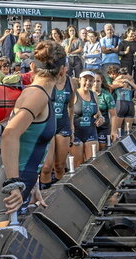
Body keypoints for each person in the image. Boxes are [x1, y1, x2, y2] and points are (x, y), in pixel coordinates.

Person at [2, 41, 67, 213]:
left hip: (23, 182)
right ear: (62, 71)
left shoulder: (38, 94)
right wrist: (13, 183)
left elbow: (28, 142)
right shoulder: (37, 95)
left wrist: (33, 184)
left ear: (32, 66)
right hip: (13, 190)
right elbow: (9, 135)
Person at [38, 53, 76, 189]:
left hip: (63, 124)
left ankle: (60, 193)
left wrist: (71, 126)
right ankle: (43, 194)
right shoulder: (49, 80)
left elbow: (71, 106)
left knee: (60, 165)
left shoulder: (71, 82)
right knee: (47, 166)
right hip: (48, 123)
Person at [70, 71, 105, 168]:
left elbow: (98, 112)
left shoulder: (94, 95)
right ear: (80, 80)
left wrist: (101, 118)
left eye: (91, 80)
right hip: (76, 132)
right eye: (85, 80)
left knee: (92, 164)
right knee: (78, 165)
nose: (88, 83)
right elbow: (68, 114)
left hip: (90, 131)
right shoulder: (74, 94)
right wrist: (70, 131)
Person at [92, 70, 118, 149]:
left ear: (101, 82)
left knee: (101, 150)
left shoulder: (106, 95)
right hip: (90, 126)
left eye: (98, 81)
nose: (95, 84)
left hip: (104, 127)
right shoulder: (87, 93)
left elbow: (113, 115)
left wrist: (114, 131)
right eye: (93, 81)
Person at [112, 67, 136, 135]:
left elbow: (135, 87)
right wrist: (125, 79)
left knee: (127, 130)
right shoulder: (117, 81)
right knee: (119, 129)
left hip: (122, 104)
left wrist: (126, 80)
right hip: (125, 104)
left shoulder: (129, 81)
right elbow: (112, 85)